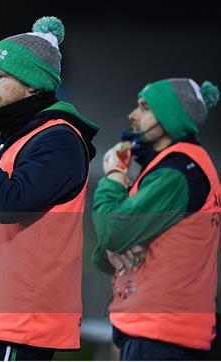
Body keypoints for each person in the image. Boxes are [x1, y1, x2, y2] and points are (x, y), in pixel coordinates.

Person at [0, 16, 99, 360]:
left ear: (32, 84)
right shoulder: (13, 137)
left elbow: (11, 206)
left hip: (23, 319)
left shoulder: (58, 140)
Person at [91, 78, 220, 360]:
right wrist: (112, 247)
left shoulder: (176, 172)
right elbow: (104, 253)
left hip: (161, 335)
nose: (132, 115)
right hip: (156, 331)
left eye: (145, 108)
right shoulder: (166, 167)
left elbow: (112, 231)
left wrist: (114, 177)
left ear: (171, 118)